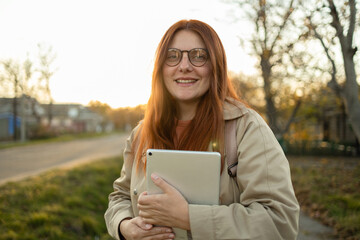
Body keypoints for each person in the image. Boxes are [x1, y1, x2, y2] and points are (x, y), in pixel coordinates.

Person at [105, 19, 299, 240]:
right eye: (172, 56)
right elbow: (119, 196)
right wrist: (124, 225)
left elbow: (279, 222)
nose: (184, 65)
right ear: (160, 68)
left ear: (215, 65)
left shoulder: (246, 128)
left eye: (198, 56)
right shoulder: (142, 133)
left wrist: (188, 217)